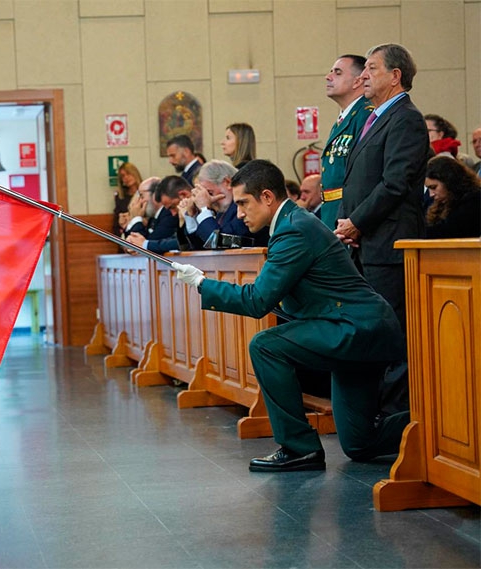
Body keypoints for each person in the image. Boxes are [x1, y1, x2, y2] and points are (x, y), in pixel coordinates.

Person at [172, 160, 409, 472]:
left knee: (266, 345)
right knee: (360, 443)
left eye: (244, 203)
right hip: (355, 328)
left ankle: (298, 447)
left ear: (267, 197)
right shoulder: (289, 224)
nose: (239, 213)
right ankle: (438, 420)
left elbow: (258, 301)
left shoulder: (293, 229)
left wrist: (202, 283)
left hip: (356, 329)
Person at [336, 43, 431, 417]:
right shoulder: (374, 117)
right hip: (366, 244)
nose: (363, 76)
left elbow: (394, 183)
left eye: (371, 69)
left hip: (389, 246)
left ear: (395, 76)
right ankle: (374, 417)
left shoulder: (406, 118)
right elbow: (355, 179)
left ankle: (396, 423)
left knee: (393, 337)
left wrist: (357, 222)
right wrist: (348, 222)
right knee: (372, 333)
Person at [321, 55, 374, 230]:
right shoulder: (345, 118)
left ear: (357, 81)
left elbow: (367, 174)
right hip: (333, 212)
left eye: (337, 72)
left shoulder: (365, 115)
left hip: (350, 215)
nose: (328, 77)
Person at [185, 160, 268, 248]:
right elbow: (203, 248)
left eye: (210, 193)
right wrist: (192, 216)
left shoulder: (244, 208)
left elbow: (223, 243)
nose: (209, 200)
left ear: (227, 182)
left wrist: (204, 209)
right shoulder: (222, 212)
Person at [125, 175, 193, 253]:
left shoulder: (168, 216)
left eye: (141, 195)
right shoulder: (152, 218)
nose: (173, 214)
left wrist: (145, 244)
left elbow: (186, 243)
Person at [424, 156, 481, 238]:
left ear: (448, 181)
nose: (431, 194)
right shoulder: (441, 204)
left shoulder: (474, 201)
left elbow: (447, 232)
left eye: (434, 187)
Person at [112, 162, 142, 234]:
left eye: (128, 174)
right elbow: (116, 221)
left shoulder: (145, 192)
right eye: (123, 176)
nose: (126, 178)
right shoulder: (120, 197)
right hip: (126, 233)